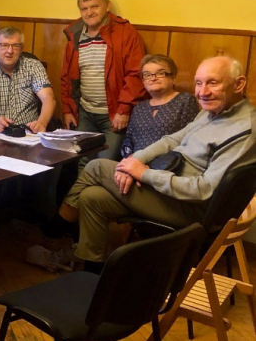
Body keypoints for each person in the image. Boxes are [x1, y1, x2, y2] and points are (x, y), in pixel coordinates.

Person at [53, 56, 254, 273]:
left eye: (213, 82)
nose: (203, 92)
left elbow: (204, 190)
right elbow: (172, 140)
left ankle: (55, 225)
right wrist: (135, 161)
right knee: (92, 197)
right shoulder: (212, 111)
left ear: (238, 84)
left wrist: (144, 174)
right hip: (169, 189)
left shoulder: (244, 130)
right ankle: (92, 274)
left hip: (193, 210)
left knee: (96, 167)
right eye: (198, 83)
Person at [60, 0, 147, 163]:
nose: (89, 13)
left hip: (114, 114)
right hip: (84, 113)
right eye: (84, 8)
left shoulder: (125, 32)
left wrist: (124, 110)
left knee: (103, 164)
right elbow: (67, 76)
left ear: (107, 6)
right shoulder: (75, 34)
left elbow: (135, 74)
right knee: (81, 162)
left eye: (94, 6)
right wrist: (68, 109)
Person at [0, 27, 55, 133]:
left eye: (15, 46)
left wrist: (41, 123)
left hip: (29, 132)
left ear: (21, 49)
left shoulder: (33, 66)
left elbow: (48, 98)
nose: (10, 51)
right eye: (4, 45)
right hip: (0, 132)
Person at [121, 54, 199, 157]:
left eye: (160, 73)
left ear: (173, 77)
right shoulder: (139, 107)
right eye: (147, 75)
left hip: (167, 163)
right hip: (134, 162)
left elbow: (189, 138)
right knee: (100, 163)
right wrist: (128, 158)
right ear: (143, 81)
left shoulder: (185, 101)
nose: (153, 78)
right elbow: (128, 139)